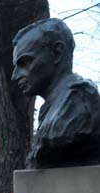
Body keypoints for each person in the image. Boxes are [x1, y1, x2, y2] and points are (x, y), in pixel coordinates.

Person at [12, 18, 100, 169]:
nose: (15, 75)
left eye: (25, 62)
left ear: (57, 53)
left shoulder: (79, 100)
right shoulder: (53, 107)